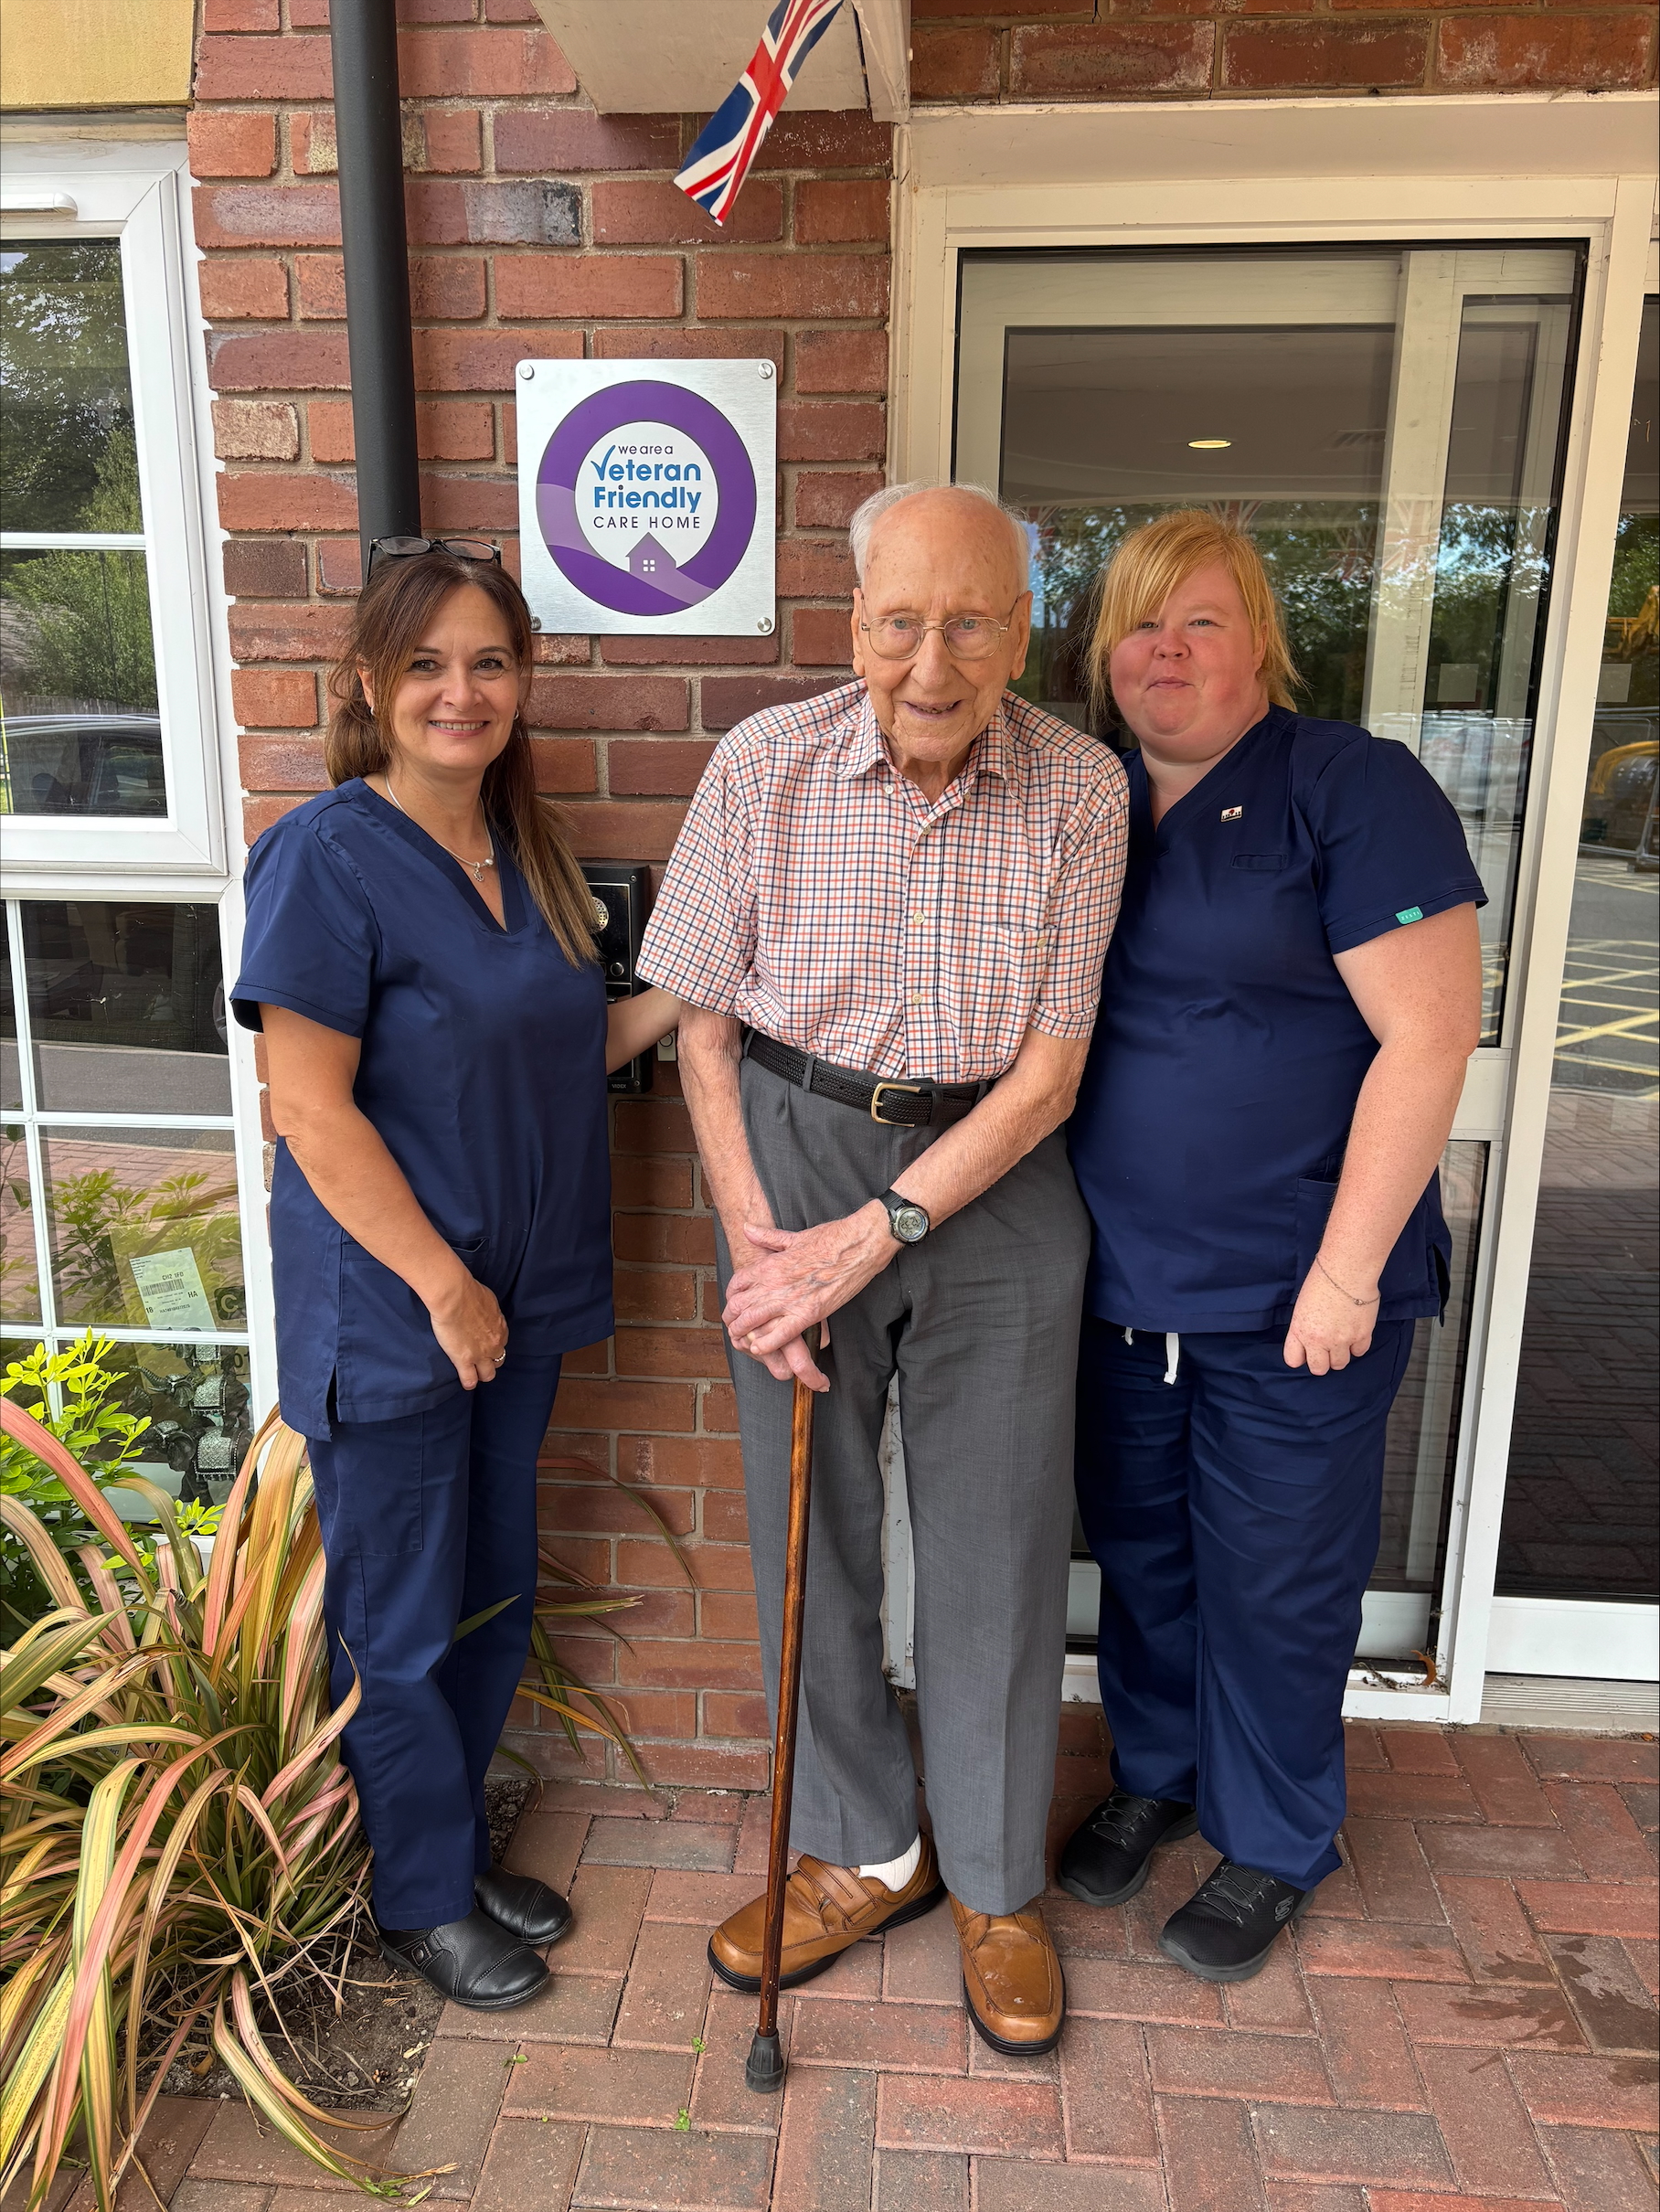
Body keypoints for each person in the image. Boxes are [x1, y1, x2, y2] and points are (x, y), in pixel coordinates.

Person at [636, 483, 1129, 2057]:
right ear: (854, 625)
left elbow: (1052, 1074)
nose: (933, 659)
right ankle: (865, 1850)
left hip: (993, 1170)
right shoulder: (762, 765)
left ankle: (993, 1882)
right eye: (901, 620)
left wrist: (881, 1231)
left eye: (970, 621)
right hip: (791, 1151)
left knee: (997, 1539)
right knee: (812, 1535)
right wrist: (759, 1241)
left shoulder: (1082, 790)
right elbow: (699, 1028)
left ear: (1021, 631)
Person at [230, 539, 678, 2010]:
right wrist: (440, 1281)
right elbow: (310, 1107)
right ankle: (418, 1898)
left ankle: (455, 1851)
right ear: (370, 681)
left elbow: (573, 1051)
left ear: (524, 678)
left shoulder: (526, 854)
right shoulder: (325, 854)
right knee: (405, 1617)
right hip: (406, 1312)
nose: (459, 691)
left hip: (519, 1299)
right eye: (424, 663)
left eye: (488, 661)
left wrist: (709, 977)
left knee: (487, 1594)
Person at [1059, 510, 1484, 1983]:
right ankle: (1158, 1775)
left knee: (1279, 1576)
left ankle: (1277, 1836)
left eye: (1202, 624)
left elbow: (1430, 1041)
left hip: (1303, 1293)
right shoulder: (1084, 800)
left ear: (1263, 646)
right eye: (1138, 624)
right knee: (1149, 1559)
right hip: (1118, 1284)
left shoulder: (1351, 791)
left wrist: (1349, 1268)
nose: (1165, 653)